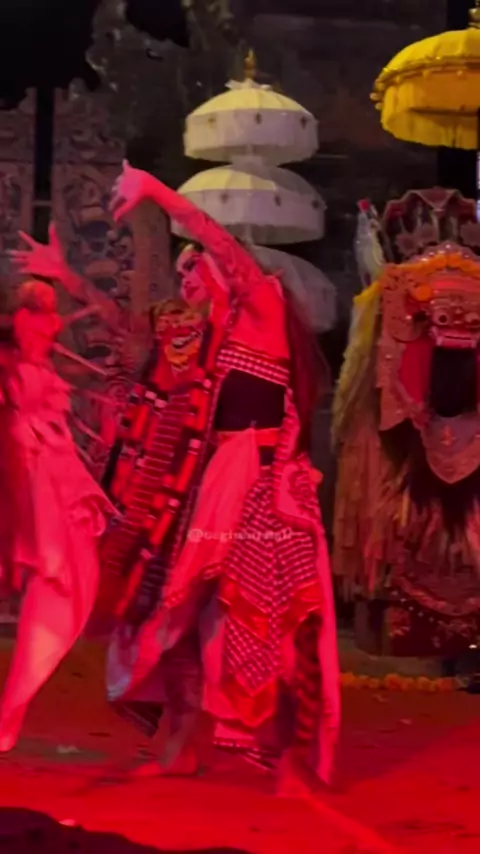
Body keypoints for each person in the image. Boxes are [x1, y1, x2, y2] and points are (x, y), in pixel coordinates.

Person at [103, 162, 340, 788]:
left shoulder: (260, 305)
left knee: (272, 621)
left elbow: (216, 239)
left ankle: (291, 762)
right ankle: (181, 746)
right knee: (179, 612)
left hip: (264, 492)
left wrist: (156, 192)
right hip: (209, 491)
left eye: (197, 266)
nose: (189, 277)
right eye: (182, 270)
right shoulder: (209, 342)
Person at [0, 279, 113, 752]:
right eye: (36, 314)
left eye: (51, 315)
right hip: (29, 488)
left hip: (54, 486)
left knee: (71, 583)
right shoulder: (11, 377)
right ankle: (10, 711)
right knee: (57, 582)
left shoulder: (42, 373)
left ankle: (12, 709)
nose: (48, 325)